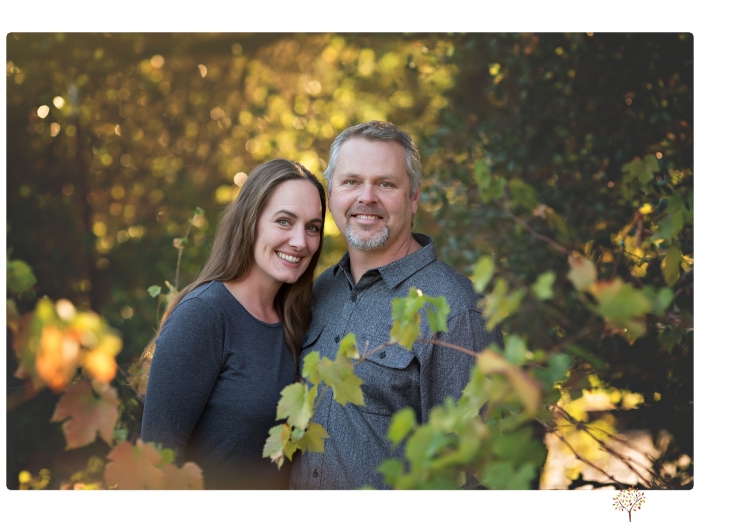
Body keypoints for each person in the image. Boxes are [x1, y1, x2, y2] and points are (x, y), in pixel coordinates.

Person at [289, 121, 503, 490]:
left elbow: (476, 472)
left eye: (385, 184)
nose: (366, 197)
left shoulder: (456, 308)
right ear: (331, 194)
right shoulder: (320, 290)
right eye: (351, 182)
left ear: (413, 196)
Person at [140, 158, 326, 489]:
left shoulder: (299, 319)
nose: (300, 241)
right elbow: (156, 462)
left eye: (312, 227)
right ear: (250, 222)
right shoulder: (203, 316)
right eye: (284, 221)